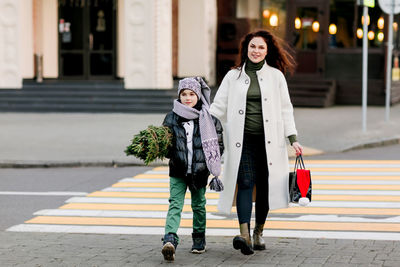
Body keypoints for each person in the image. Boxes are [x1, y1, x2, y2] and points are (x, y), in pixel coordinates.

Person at [210, 30, 303, 255]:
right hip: (242, 142)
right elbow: (218, 106)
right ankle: (244, 235)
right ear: (246, 49)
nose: (256, 51)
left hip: (270, 143)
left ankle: (258, 232)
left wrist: (293, 138)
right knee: (245, 181)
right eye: (253, 46)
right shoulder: (233, 76)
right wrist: (204, 126)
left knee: (265, 187)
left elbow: (285, 109)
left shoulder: (276, 76)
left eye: (261, 47)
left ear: (267, 50)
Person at [161, 77, 224, 261]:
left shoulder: (209, 119)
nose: (187, 98)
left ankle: (198, 238)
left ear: (198, 95)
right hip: (178, 170)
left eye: (191, 94)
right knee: (175, 204)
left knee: (198, 206)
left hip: (199, 171)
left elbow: (219, 146)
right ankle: (170, 240)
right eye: (184, 94)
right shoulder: (171, 117)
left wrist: (207, 164)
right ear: (179, 96)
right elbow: (165, 145)